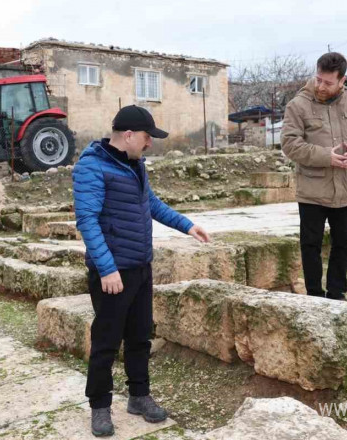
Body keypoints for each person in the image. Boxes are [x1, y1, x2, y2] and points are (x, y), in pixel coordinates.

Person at [72, 105, 211, 437]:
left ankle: (139, 395)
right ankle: (100, 406)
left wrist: (187, 226)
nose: (150, 144)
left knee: (139, 336)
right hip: (112, 273)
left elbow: (151, 204)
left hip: (139, 267)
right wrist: (106, 269)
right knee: (106, 341)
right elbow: (87, 222)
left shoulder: (135, 166)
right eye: (148, 137)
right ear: (130, 135)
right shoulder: (91, 168)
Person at [280, 52, 347, 301]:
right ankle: (313, 295)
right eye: (318, 79)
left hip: (346, 188)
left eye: (328, 82)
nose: (321, 86)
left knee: (344, 243)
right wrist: (326, 156)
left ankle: (336, 295)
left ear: (342, 80)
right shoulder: (297, 105)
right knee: (310, 245)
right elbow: (290, 145)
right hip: (312, 189)